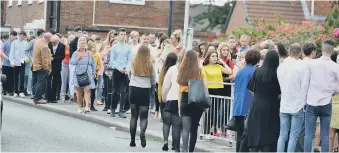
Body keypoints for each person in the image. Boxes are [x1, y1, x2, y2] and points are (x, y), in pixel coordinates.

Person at [302, 40, 339, 152]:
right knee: (325, 134)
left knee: (308, 134)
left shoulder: (312, 64)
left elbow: (305, 84)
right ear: (332, 51)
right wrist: (333, 92)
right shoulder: (335, 67)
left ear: (322, 49)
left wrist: (303, 101)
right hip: (326, 102)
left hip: (311, 101)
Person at [246, 50, 281, 152]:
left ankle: (254, 147)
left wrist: (257, 96)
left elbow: (250, 87)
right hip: (272, 104)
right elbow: (280, 91)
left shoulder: (257, 71)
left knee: (256, 127)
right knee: (269, 129)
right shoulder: (277, 73)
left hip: (257, 103)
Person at [177, 50, 208, 152]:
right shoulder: (200, 71)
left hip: (185, 100)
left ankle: (184, 150)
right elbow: (205, 88)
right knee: (194, 129)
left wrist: (179, 106)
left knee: (185, 129)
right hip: (197, 100)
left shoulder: (182, 71)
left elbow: (180, 91)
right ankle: (191, 150)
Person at [276, 43, 305, 152]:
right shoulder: (301, 66)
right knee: (293, 136)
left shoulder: (281, 66)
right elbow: (304, 84)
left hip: (284, 103)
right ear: (300, 53)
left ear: (289, 51)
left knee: (282, 134)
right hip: (297, 104)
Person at [232, 49, 261, 152]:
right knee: (248, 136)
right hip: (249, 106)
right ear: (257, 60)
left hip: (237, 105)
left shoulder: (240, 72)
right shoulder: (255, 71)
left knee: (240, 136)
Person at [128, 45, 156, 148]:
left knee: (134, 116)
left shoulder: (133, 62)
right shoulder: (150, 64)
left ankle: (132, 140)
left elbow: (129, 75)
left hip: (134, 88)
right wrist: (152, 84)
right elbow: (153, 78)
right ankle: (142, 133)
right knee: (144, 116)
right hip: (145, 90)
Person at [202, 49, 232, 136]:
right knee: (210, 113)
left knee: (216, 112)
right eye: (213, 56)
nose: (215, 58)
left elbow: (229, 72)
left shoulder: (219, 66)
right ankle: (206, 131)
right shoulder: (204, 68)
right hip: (210, 91)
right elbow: (204, 81)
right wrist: (206, 94)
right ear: (208, 57)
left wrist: (223, 62)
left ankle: (214, 130)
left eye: (216, 56)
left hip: (220, 91)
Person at [158, 52, 179, 151]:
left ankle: (165, 141)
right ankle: (175, 144)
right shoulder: (178, 69)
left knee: (166, 123)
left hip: (167, 98)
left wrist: (163, 96)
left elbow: (164, 85)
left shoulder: (166, 70)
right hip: (177, 99)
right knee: (176, 124)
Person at [70, 37, 96, 113]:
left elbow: (93, 63)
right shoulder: (75, 53)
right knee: (79, 90)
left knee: (87, 90)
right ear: (78, 44)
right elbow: (72, 62)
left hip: (88, 72)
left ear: (86, 44)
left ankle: (87, 106)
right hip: (78, 73)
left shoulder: (89, 53)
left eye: (84, 42)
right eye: (81, 42)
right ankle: (79, 107)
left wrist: (94, 72)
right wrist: (77, 58)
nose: (82, 44)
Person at [110, 28, 132, 118]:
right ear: (118, 36)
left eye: (124, 35)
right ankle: (112, 109)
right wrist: (119, 68)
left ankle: (121, 110)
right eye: (121, 35)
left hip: (125, 71)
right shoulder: (114, 47)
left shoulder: (128, 47)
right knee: (115, 91)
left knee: (123, 92)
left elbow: (129, 60)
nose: (123, 36)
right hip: (117, 70)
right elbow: (112, 60)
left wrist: (127, 69)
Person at [32, 32, 53, 104]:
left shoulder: (38, 41)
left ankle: (37, 97)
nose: (51, 40)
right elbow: (44, 59)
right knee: (41, 83)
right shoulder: (44, 46)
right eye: (51, 38)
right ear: (48, 38)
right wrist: (47, 68)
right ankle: (37, 98)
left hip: (36, 65)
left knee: (38, 82)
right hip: (41, 67)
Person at [25, 29, 45, 96]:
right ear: (41, 34)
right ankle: (34, 92)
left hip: (42, 63)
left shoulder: (44, 42)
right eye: (43, 34)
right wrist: (31, 58)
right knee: (34, 77)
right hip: (34, 62)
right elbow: (26, 50)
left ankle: (39, 92)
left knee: (41, 78)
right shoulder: (33, 41)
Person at [9, 31, 28, 98]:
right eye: (21, 36)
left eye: (23, 36)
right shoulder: (14, 42)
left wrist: (25, 59)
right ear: (19, 35)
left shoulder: (26, 43)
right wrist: (12, 62)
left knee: (22, 76)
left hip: (22, 61)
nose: (22, 37)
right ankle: (16, 91)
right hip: (15, 61)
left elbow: (27, 53)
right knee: (16, 77)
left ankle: (21, 91)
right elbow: (11, 52)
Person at [47, 35, 65, 103]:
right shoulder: (50, 45)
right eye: (52, 42)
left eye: (54, 42)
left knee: (55, 82)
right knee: (48, 81)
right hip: (50, 66)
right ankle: (48, 97)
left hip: (57, 66)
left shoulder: (62, 46)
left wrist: (54, 58)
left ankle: (53, 97)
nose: (53, 43)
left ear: (57, 41)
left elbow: (62, 56)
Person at [1, 31, 17, 96]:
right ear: (10, 36)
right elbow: (1, 52)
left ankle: (10, 91)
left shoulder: (17, 43)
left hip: (13, 64)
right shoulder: (6, 43)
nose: (14, 37)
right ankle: (4, 90)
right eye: (12, 35)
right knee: (4, 77)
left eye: (15, 35)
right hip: (5, 63)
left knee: (12, 78)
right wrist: (7, 58)